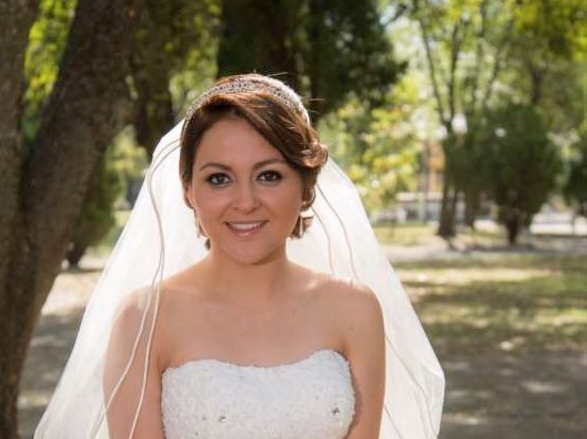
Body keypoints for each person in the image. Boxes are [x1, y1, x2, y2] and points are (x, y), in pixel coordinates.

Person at [35, 73, 445, 439]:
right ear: (188, 191)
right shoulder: (144, 319)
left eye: (269, 175)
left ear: (304, 187)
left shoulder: (355, 310)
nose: (245, 202)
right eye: (219, 178)